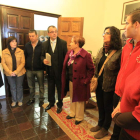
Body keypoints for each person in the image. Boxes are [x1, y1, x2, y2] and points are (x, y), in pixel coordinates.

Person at [111, 10, 140, 140]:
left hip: (134, 102)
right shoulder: (127, 45)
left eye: (127, 23)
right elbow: (123, 68)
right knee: (118, 129)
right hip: (120, 93)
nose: (124, 27)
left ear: (136, 25)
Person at [90, 26, 122, 139]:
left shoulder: (119, 52)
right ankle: (100, 123)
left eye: (107, 33)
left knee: (108, 108)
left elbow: (120, 71)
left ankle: (105, 128)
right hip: (99, 84)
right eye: (104, 33)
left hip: (110, 86)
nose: (103, 35)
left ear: (113, 35)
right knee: (100, 105)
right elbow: (97, 65)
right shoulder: (102, 49)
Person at [61, 36, 94, 125]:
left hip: (81, 82)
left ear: (77, 44)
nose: (70, 43)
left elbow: (91, 69)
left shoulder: (86, 55)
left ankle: (79, 117)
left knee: (79, 100)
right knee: (72, 97)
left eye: (72, 42)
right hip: (71, 80)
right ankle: (72, 113)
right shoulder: (70, 53)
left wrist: (86, 80)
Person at [41, 25, 67, 114]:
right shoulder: (44, 44)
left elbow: (66, 57)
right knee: (50, 88)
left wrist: (65, 71)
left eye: (55, 31)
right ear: (48, 33)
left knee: (60, 89)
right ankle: (51, 103)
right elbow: (41, 56)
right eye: (52, 32)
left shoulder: (63, 43)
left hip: (60, 71)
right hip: (50, 71)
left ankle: (60, 104)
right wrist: (43, 60)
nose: (54, 33)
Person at [113, 67, 140, 140]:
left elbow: (137, 118)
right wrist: (121, 101)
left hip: (134, 135)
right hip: (126, 128)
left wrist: (117, 117)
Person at [2, 36, 26, 107]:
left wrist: (16, 72)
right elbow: (3, 63)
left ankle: (20, 100)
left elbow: (23, 62)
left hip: (20, 73)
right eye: (12, 41)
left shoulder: (21, 51)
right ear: (9, 43)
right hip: (9, 74)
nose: (15, 43)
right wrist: (10, 72)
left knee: (19, 87)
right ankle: (14, 100)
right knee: (12, 87)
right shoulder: (4, 52)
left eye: (15, 41)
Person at [25, 30, 45, 107]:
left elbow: (44, 57)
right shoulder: (27, 45)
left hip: (39, 69)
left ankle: (41, 99)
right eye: (30, 36)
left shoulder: (42, 45)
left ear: (37, 36)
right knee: (31, 86)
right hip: (29, 69)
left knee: (41, 86)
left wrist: (45, 69)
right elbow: (26, 56)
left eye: (32, 36)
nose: (31, 37)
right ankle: (31, 98)